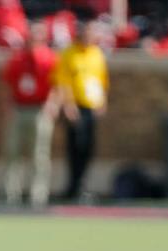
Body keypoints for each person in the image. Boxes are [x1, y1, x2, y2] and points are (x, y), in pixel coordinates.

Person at [1, 21, 60, 206]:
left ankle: (38, 195)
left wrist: (53, 104)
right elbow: (8, 83)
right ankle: (10, 193)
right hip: (19, 107)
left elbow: (57, 85)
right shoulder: (17, 58)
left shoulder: (50, 58)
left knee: (40, 154)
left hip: (39, 108)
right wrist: (8, 104)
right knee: (12, 151)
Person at [55, 16, 109, 200]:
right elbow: (63, 81)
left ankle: (82, 185)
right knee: (75, 147)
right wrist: (68, 105)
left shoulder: (96, 53)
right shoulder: (69, 53)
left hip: (91, 107)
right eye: (86, 32)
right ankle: (73, 186)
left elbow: (101, 80)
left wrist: (102, 102)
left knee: (88, 148)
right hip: (76, 107)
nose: (88, 35)